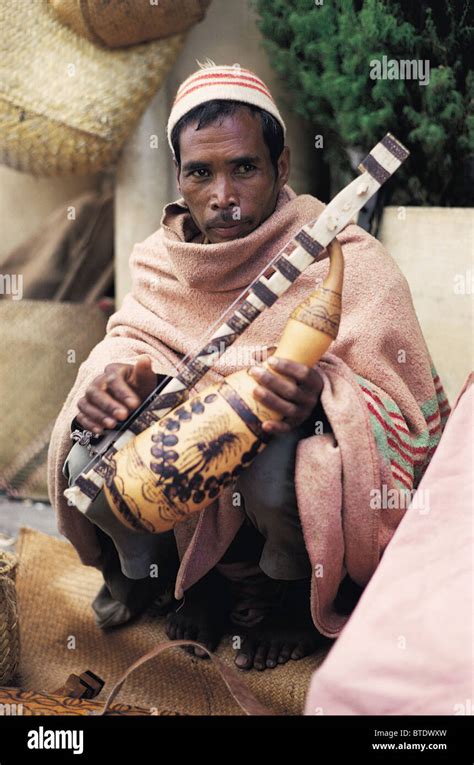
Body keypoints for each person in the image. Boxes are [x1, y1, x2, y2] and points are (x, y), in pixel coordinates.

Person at [48, 64, 449, 672]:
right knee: (90, 454)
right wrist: (116, 381)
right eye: (200, 173)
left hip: (280, 485)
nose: (222, 196)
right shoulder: (164, 262)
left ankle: (289, 594)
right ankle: (186, 584)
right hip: (184, 479)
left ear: (281, 168)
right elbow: (131, 340)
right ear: (179, 178)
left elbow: (398, 399)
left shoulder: (343, 256)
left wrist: (322, 394)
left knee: (285, 453)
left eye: (244, 168)